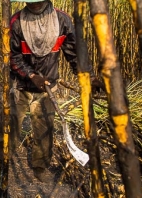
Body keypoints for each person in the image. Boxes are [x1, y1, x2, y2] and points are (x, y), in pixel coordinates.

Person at [9, 0, 101, 182]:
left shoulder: (62, 20)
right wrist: (31, 75)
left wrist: (88, 77)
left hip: (47, 87)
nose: (34, 4)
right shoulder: (16, 22)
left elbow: (74, 54)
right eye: (30, 1)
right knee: (12, 124)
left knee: (44, 128)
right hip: (20, 84)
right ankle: (4, 158)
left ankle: (39, 166)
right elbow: (13, 57)